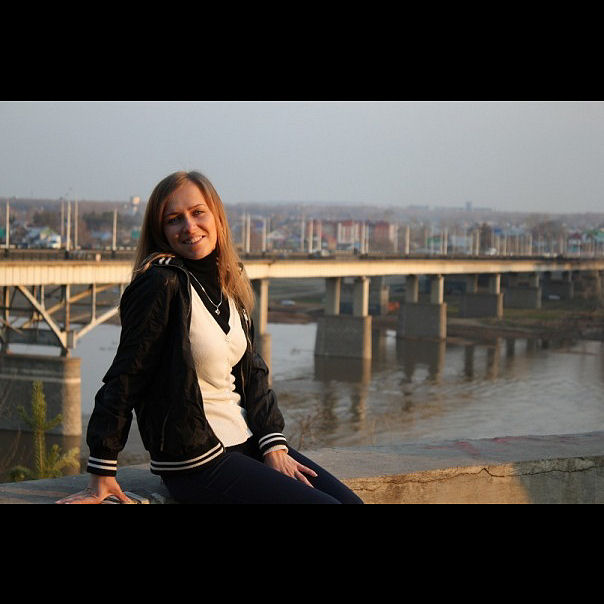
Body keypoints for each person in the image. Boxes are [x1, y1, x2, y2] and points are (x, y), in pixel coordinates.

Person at [57, 170, 362, 504]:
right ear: (161, 231)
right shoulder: (160, 284)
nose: (189, 227)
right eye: (174, 219)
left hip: (247, 441)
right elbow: (126, 377)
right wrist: (102, 468)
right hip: (197, 461)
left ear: (216, 216)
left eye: (197, 212)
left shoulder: (230, 280)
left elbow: (253, 373)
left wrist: (273, 444)